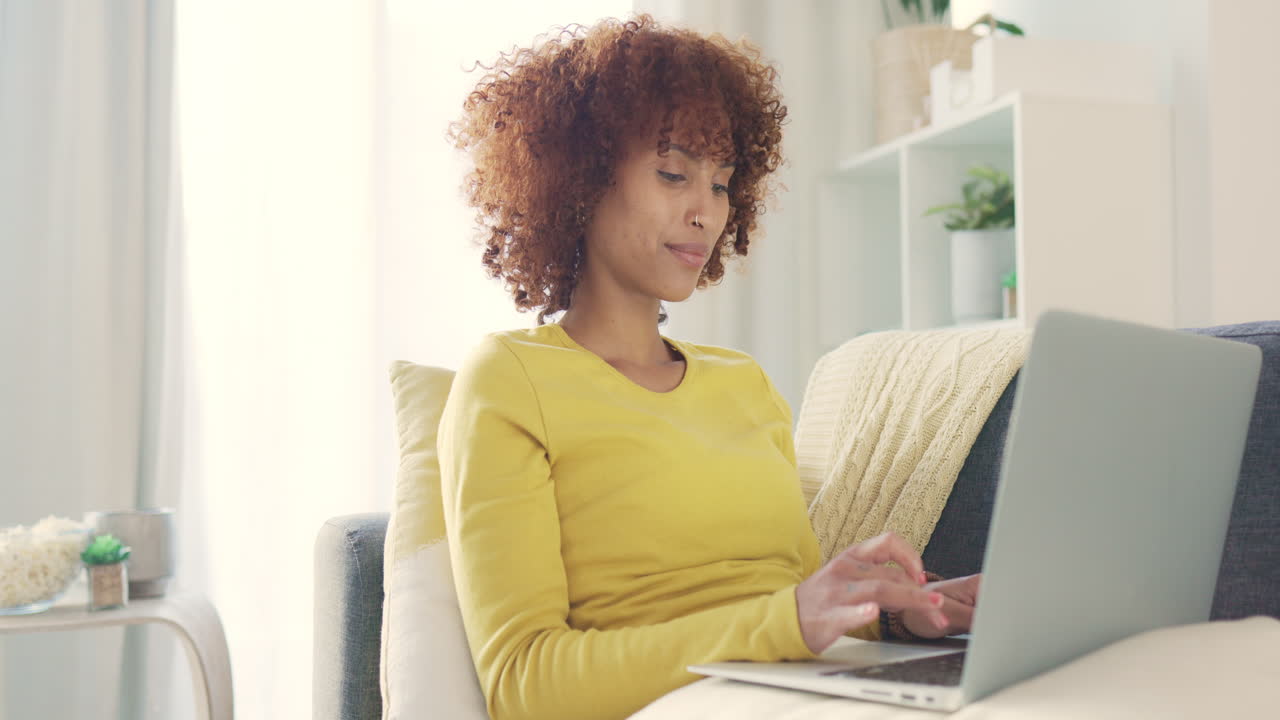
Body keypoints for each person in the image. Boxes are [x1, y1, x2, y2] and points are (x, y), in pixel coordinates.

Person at [438, 13, 981, 720]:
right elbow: (527, 684)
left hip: (809, 693)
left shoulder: (742, 383)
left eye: (723, 184)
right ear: (580, 179)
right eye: (674, 173)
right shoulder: (508, 381)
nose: (706, 211)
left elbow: (783, 605)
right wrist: (788, 621)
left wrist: (898, 613)